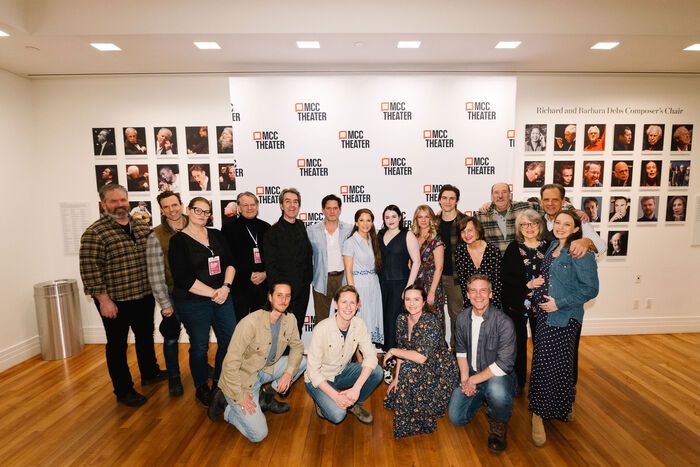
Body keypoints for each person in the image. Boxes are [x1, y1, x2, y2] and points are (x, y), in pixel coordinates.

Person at [79, 184, 166, 407]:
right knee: (117, 345)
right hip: (115, 300)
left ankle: (150, 372)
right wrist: (104, 300)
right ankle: (123, 389)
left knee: (145, 336)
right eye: (113, 201)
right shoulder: (95, 233)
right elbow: (90, 270)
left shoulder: (141, 227)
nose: (119, 205)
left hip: (143, 295)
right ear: (103, 204)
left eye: (122, 200)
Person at [529, 211, 599, 447]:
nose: (560, 227)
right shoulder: (552, 247)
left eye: (566, 224)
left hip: (565, 317)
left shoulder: (580, 252)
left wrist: (559, 303)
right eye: (558, 222)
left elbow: (590, 289)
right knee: (544, 364)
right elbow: (551, 278)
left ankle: (557, 407)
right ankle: (539, 413)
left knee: (559, 365)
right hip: (544, 317)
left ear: (576, 229)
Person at [207, 282, 307, 443]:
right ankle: (225, 406)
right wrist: (239, 396)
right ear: (270, 297)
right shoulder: (250, 323)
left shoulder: (290, 319)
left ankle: (266, 398)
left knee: (302, 362)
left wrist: (289, 373)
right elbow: (229, 364)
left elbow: (297, 347)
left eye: (287, 296)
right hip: (242, 381)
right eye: (279, 295)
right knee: (258, 435)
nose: (283, 300)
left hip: (265, 370)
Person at [169, 197, 236, 406]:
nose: (203, 215)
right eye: (198, 210)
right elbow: (184, 279)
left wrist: (226, 287)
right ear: (188, 210)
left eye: (206, 212)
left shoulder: (217, 235)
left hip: (222, 296)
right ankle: (201, 387)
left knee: (229, 341)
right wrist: (214, 293)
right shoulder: (178, 241)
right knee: (199, 346)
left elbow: (231, 263)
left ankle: (218, 383)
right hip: (193, 302)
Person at [448, 275, 516, 454]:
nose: (478, 295)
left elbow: (504, 364)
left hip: (497, 376)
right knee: (456, 418)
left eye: (483, 290)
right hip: (472, 374)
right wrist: (465, 380)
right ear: (467, 295)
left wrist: (472, 381)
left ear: (491, 294)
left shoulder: (504, 322)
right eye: (473, 291)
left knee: (497, 391)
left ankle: (499, 424)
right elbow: (460, 352)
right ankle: (482, 397)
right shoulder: (462, 318)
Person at [384, 285, 458, 438]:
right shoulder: (401, 319)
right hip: (416, 363)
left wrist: (392, 351)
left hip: (438, 368)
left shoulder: (431, 320)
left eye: (416, 299)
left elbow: (422, 357)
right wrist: (397, 379)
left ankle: (419, 424)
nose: (412, 303)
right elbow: (403, 350)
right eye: (408, 299)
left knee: (409, 370)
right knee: (393, 398)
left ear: (424, 302)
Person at [305, 285, 384, 424]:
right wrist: (336, 396)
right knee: (338, 414)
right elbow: (313, 372)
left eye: (352, 302)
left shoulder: (359, 324)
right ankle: (321, 401)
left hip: (341, 372)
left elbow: (371, 357)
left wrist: (356, 389)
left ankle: (354, 404)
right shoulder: (321, 329)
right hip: (319, 379)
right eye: (344, 302)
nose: (348, 307)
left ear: (357, 306)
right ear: (336, 304)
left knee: (377, 372)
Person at [501, 210, 548, 395]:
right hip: (517, 303)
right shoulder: (514, 248)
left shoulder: (549, 247)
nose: (529, 228)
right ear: (519, 228)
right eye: (524, 224)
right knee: (518, 344)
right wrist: (526, 284)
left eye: (533, 223)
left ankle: (540, 383)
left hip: (543, 305)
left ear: (539, 225)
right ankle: (519, 382)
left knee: (541, 345)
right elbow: (504, 276)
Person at [146, 191, 187, 397]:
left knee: (199, 335)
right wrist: (165, 304)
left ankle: (201, 366)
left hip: (197, 293)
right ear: (161, 210)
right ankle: (174, 377)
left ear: (181, 204)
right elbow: (155, 274)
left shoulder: (195, 225)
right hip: (171, 293)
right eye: (166, 207)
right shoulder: (156, 235)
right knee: (171, 337)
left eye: (174, 205)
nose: (172, 210)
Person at [264, 188, 313, 336]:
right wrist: (279, 294)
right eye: (288, 201)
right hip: (284, 292)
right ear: (281, 205)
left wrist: (307, 281)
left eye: (295, 202)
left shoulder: (300, 225)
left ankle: (294, 352)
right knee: (282, 331)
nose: (292, 205)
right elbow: (271, 266)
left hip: (302, 289)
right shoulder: (272, 232)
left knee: (297, 329)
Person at [222, 192, 271, 323]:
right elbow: (228, 258)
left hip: (262, 285)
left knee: (261, 325)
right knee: (240, 326)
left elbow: (273, 256)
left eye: (252, 204)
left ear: (257, 206)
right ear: (238, 207)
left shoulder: (266, 227)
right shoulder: (228, 229)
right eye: (245, 205)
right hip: (239, 286)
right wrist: (249, 274)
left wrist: (265, 274)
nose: (250, 208)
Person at [378, 205, 421, 352]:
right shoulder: (379, 235)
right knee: (384, 318)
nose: (390, 220)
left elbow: (416, 262)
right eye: (387, 217)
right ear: (383, 219)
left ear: (400, 218)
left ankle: (396, 354)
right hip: (382, 284)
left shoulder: (407, 235)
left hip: (400, 284)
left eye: (394, 216)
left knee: (394, 319)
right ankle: (386, 352)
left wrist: (408, 288)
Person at [308, 194, 353, 325]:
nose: (332, 211)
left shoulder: (350, 229)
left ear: (340, 210)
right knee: (321, 320)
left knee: (345, 318)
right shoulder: (311, 230)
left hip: (343, 279)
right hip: (321, 279)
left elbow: (368, 233)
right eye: (328, 208)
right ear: (323, 210)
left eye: (335, 208)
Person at [342, 209, 384, 345]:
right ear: (356, 223)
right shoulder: (350, 242)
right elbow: (348, 270)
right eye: (361, 220)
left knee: (371, 317)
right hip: (359, 285)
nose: (365, 224)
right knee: (360, 318)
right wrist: (353, 294)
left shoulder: (373, 240)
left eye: (368, 220)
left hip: (373, 284)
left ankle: (368, 350)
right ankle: (358, 353)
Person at [438, 184, 467, 350]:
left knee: (456, 313)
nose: (448, 201)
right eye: (444, 198)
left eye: (451, 198)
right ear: (439, 200)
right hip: (434, 275)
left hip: (455, 276)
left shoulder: (465, 222)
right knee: (435, 313)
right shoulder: (433, 222)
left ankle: (457, 350)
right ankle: (438, 349)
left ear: (457, 201)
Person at [476, 182, 543, 254]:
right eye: (496, 192)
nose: (500, 196)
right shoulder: (482, 215)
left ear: (510, 195)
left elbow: (546, 207)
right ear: (492, 196)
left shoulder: (523, 207)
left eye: (504, 192)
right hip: (494, 259)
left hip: (519, 258)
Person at [540, 185, 606, 255]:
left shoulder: (577, 219)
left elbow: (601, 246)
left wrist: (587, 242)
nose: (550, 203)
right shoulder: (536, 222)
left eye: (555, 200)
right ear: (541, 201)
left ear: (563, 201)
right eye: (546, 199)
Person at [411, 205, 446, 333]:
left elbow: (439, 268)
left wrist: (432, 291)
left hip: (432, 283)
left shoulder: (436, 239)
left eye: (427, 217)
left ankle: (437, 344)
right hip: (416, 284)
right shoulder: (413, 237)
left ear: (431, 219)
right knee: (417, 317)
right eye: (420, 217)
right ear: (416, 219)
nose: (423, 220)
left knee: (434, 317)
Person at [455, 216, 502, 309]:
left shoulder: (493, 250)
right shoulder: (460, 251)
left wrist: (493, 306)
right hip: (471, 303)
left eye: (470, 230)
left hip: (492, 303)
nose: (466, 234)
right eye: (463, 231)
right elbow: (463, 283)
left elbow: (498, 281)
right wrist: (470, 307)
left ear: (477, 230)